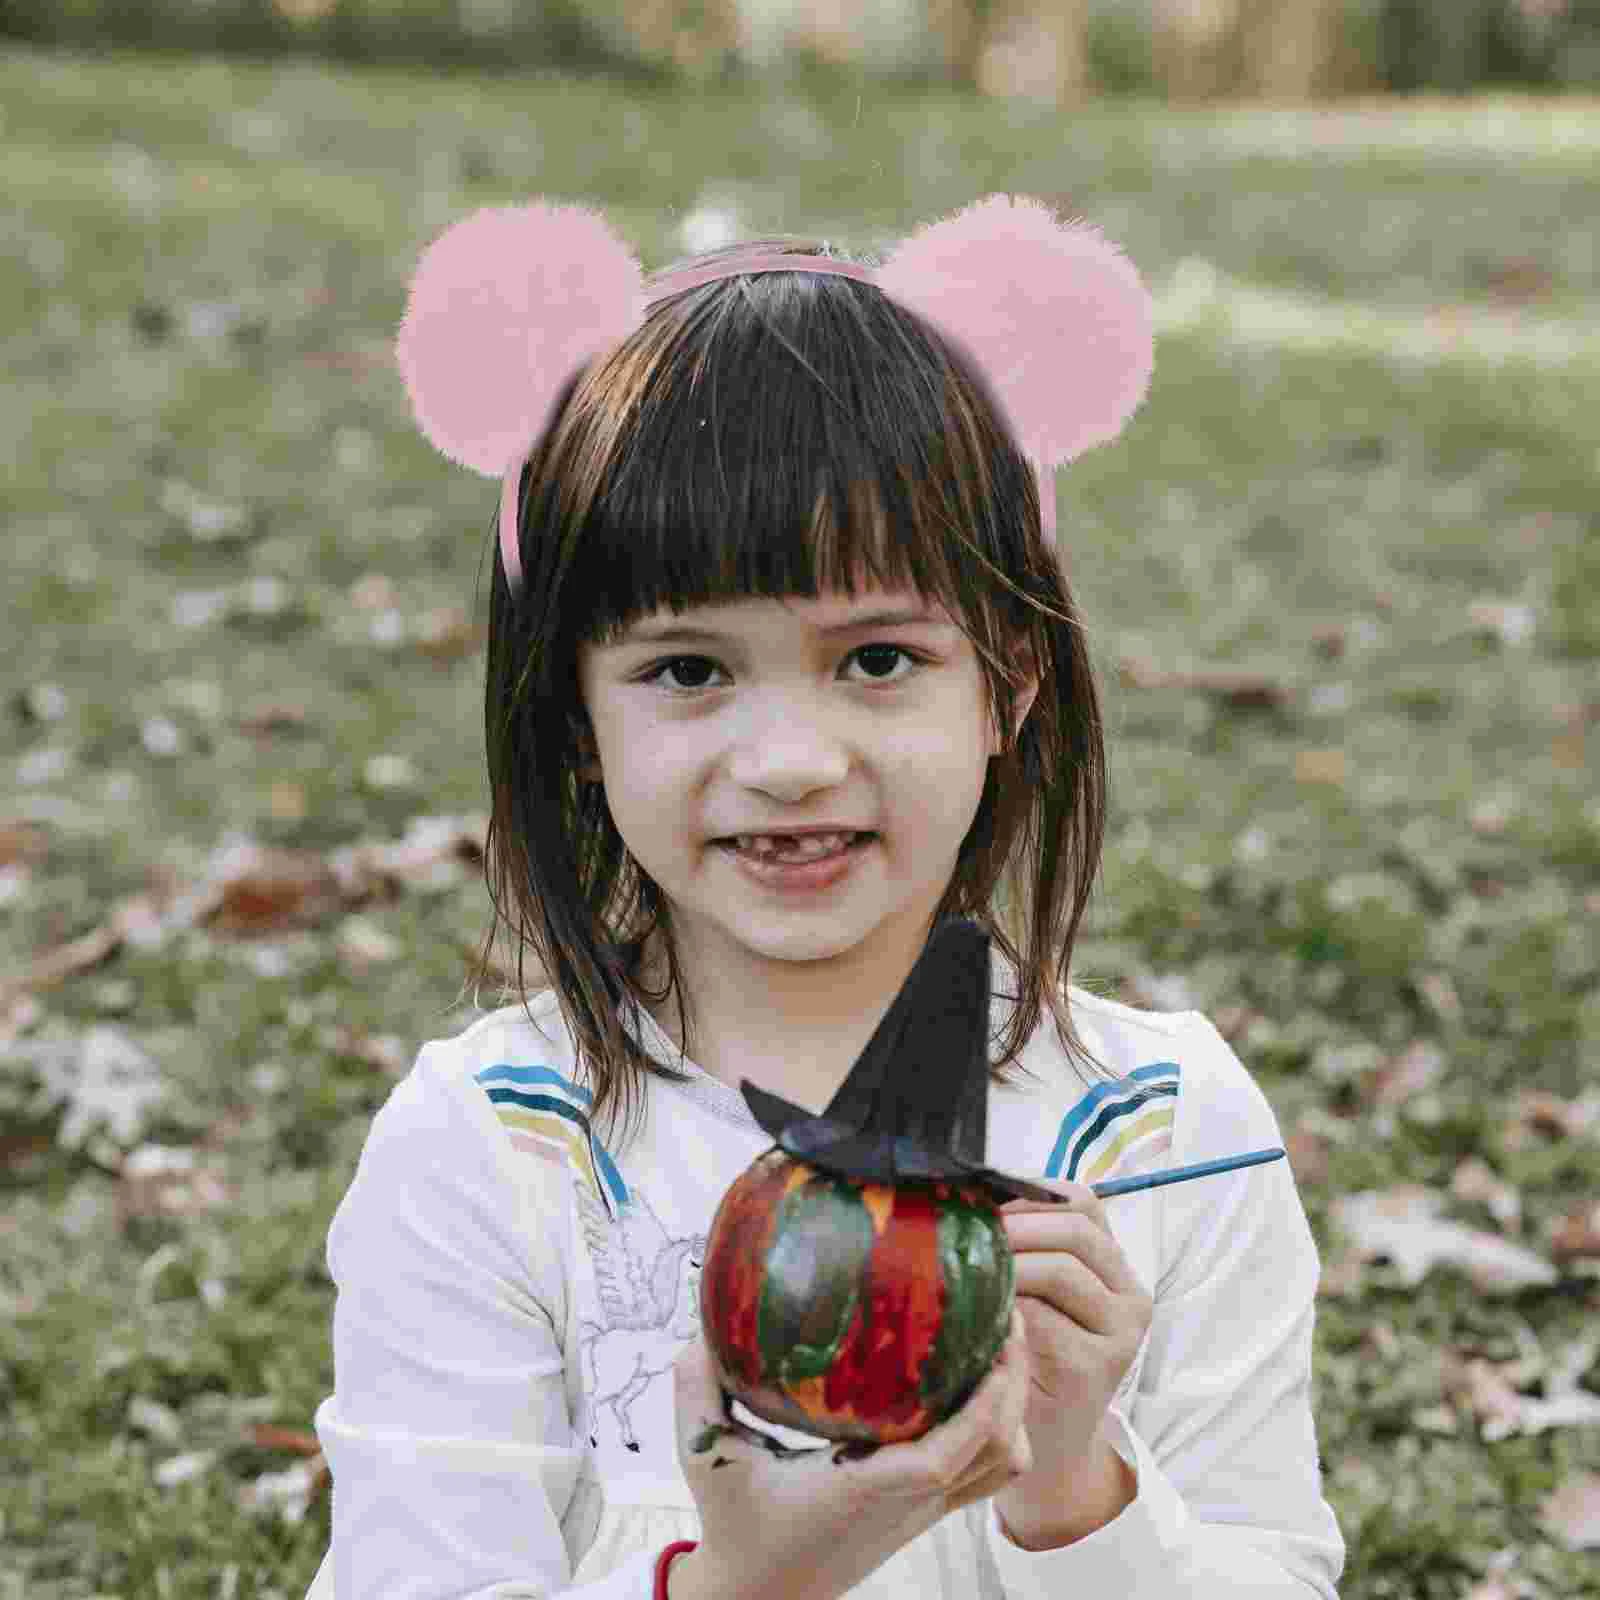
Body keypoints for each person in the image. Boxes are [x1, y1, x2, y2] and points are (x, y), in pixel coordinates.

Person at [305, 193, 1346, 1599]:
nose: (791, 762)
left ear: (1012, 681)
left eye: (877, 660)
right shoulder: (490, 1156)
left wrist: (1077, 1497)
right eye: (687, 671)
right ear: (572, 717)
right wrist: (744, 1583)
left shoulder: (1170, 1131)